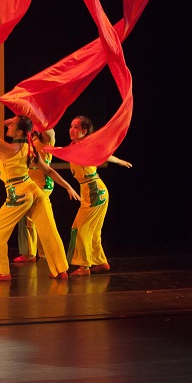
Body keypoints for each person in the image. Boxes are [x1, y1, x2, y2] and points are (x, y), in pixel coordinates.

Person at [0, 114, 76, 282]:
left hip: (19, 192)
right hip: (33, 189)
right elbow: (48, 170)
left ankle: (3, 271)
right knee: (49, 231)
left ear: (19, 132)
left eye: (11, 126)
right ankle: (60, 269)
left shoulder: (9, 148)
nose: (8, 127)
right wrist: (68, 186)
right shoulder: (29, 148)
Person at [60, 115, 131, 275]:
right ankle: (100, 261)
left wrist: (118, 160)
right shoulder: (75, 145)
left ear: (84, 131)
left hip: (94, 192)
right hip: (92, 192)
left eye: (76, 127)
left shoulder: (85, 146)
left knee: (80, 229)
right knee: (93, 230)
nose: (72, 130)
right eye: (71, 126)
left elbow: (103, 154)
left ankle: (84, 266)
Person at [14, 129, 56, 263]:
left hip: (42, 183)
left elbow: (50, 132)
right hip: (31, 182)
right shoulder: (32, 137)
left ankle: (40, 252)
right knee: (31, 218)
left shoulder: (46, 138)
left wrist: (41, 119)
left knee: (40, 218)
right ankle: (35, 252)